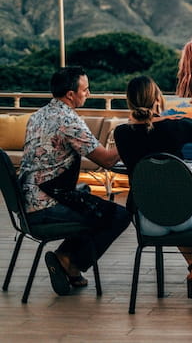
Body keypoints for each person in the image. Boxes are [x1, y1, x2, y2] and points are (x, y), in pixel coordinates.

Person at [114, 76, 192, 299]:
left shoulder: (121, 133)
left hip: (145, 220)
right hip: (182, 214)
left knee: (167, 209)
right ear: (158, 98)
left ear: (129, 101)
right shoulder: (175, 127)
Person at [18, 66, 130, 296]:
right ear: (71, 94)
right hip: (45, 206)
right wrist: (132, 136)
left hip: (24, 203)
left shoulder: (37, 115)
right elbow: (107, 161)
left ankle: (68, 263)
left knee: (87, 197)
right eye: (85, 90)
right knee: (118, 215)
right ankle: (68, 261)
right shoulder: (68, 120)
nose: (88, 94)